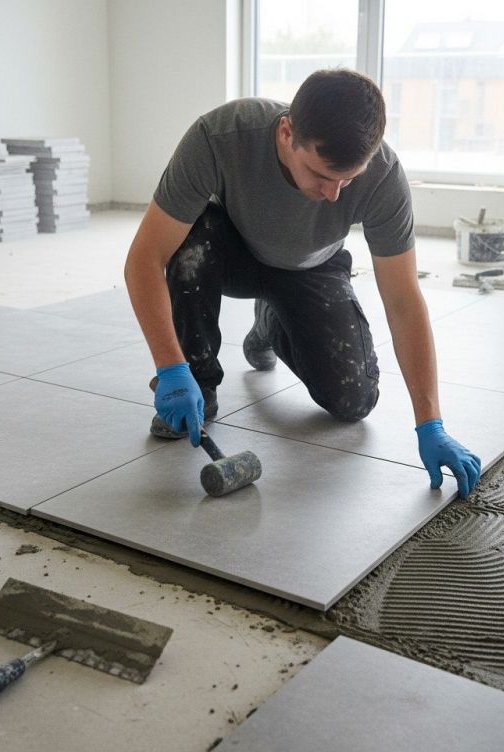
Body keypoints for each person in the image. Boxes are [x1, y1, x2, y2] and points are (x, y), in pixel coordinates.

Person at [124, 68, 481, 498]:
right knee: (189, 245)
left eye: (348, 179)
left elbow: (403, 300)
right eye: (321, 175)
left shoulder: (384, 176)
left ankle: (270, 324)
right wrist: (170, 367)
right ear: (286, 133)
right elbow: (145, 259)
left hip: (311, 267)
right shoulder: (219, 137)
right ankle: (197, 380)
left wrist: (431, 423)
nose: (334, 194)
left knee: (353, 400)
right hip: (229, 254)